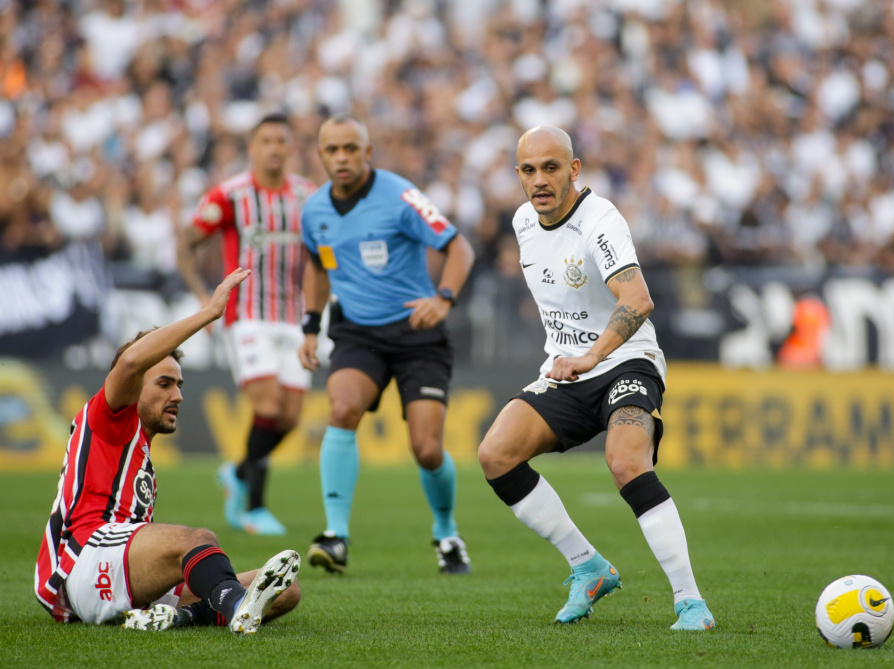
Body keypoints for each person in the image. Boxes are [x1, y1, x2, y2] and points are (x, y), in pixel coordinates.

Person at [477, 126, 715, 629]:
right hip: (566, 370)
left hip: (626, 360)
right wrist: (573, 359)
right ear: (517, 175)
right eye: (528, 170)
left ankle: (690, 600)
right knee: (495, 455)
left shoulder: (600, 220)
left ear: (574, 169)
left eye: (551, 167)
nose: (540, 180)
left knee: (626, 459)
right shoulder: (523, 222)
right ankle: (587, 565)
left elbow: (638, 300)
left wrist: (592, 356)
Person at [35, 268, 301, 634]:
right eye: (164, 383)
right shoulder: (109, 418)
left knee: (284, 591)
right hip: (84, 561)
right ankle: (238, 606)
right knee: (198, 541)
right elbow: (130, 362)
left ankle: (181, 617)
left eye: (178, 384)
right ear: (132, 389)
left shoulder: (140, 452)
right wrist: (209, 312)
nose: (176, 395)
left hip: (119, 570)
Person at [298, 113, 476, 574]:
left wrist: (444, 298)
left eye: (350, 149)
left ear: (367, 152)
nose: (341, 157)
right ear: (320, 155)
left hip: (418, 333)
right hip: (358, 332)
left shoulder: (401, 196)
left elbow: (460, 248)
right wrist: (310, 327)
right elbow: (317, 268)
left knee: (427, 449)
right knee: (341, 410)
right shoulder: (313, 212)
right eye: (332, 150)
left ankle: (446, 533)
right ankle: (336, 535)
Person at [177, 112, 320, 536]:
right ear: (253, 148)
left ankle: (236, 472)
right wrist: (204, 297)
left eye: (282, 140)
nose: (275, 147)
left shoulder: (308, 196)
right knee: (269, 406)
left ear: (291, 147)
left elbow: (321, 256)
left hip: (294, 317)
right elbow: (186, 243)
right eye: (267, 140)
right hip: (247, 315)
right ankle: (255, 506)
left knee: (291, 418)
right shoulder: (230, 195)